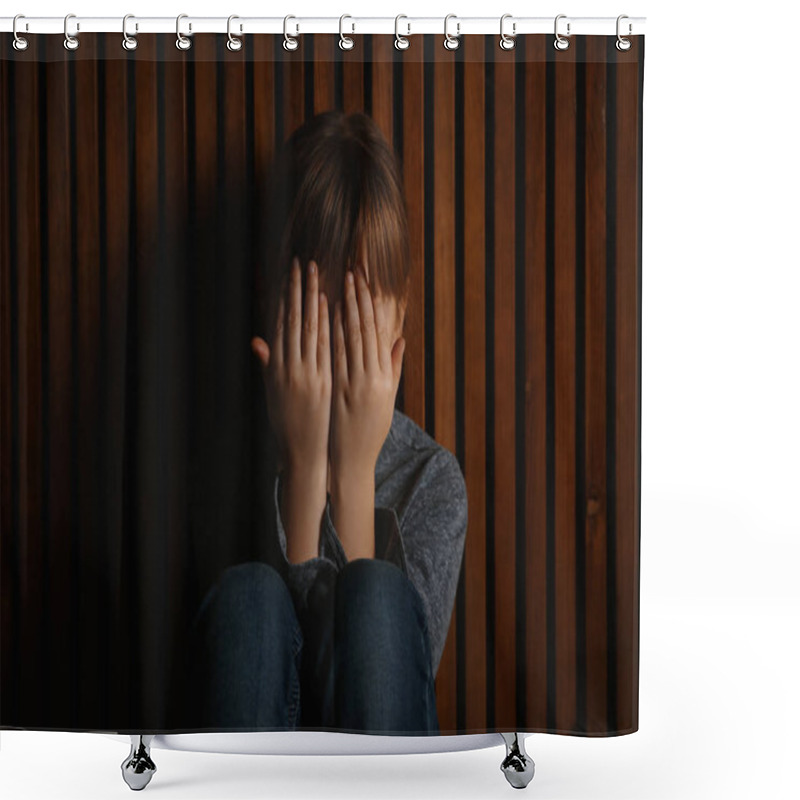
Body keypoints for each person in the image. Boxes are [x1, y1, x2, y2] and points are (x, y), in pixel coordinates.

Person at [184, 111, 468, 736]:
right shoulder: (220, 465)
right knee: (249, 598)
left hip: (379, 768)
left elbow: (388, 675)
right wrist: (306, 467)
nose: (339, 350)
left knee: (376, 598)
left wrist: (354, 473)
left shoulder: (432, 482)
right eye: (320, 317)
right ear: (271, 301)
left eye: (362, 318)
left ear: (400, 320)